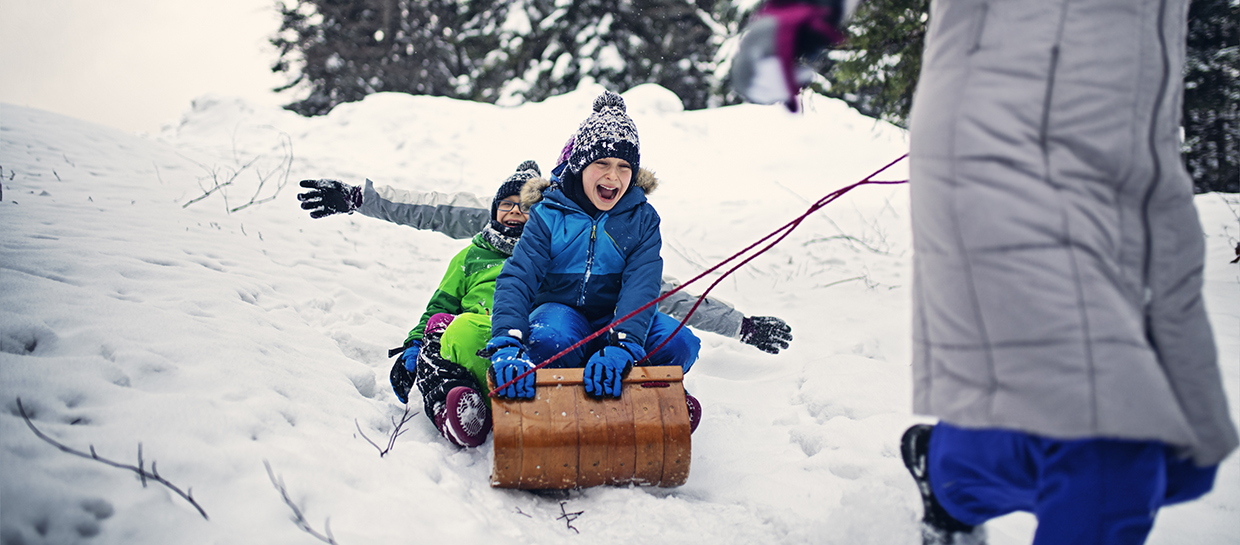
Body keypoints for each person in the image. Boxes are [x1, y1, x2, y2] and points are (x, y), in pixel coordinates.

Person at [731, 1, 1239, 544]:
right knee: (1111, 455)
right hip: (1009, 139)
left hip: (1138, 149)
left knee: (1185, 455)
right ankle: (963, 469)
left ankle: (951, 472)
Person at [298, 174, 792, 357]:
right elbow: (431, 208)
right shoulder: (507, 216)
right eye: (510, 205)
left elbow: (662, 291)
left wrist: (740, 325)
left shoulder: (586, 233)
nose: (519, 215)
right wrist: (362, 199)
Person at [485, 91, 699, 403]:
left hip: (614, 319)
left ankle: (643, 397)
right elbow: (518, 277)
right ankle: (562, 398)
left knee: (679, 343)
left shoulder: (641, 219)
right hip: (561, 314)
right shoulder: (549, 214)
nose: (613, 176)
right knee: (550, 340)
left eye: (624, 166)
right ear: (580, 165)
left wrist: (623, 343)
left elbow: (642, 286)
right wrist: (507, 339)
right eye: (602, 163)